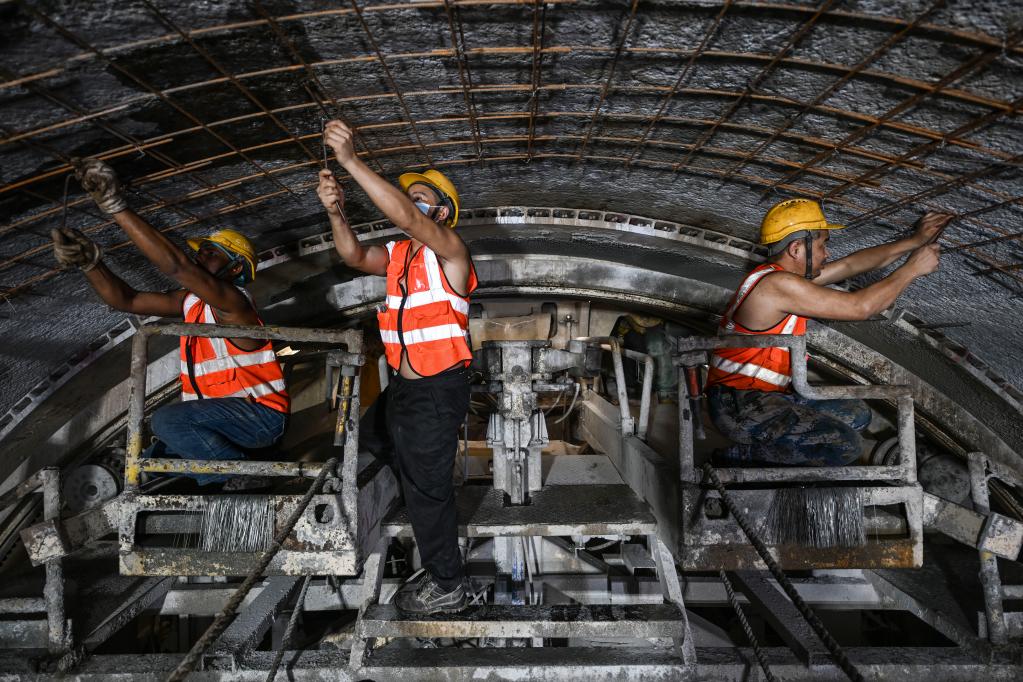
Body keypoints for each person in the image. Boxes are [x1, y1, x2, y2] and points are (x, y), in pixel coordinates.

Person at [317, 120, 475, 614]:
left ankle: (448, 583)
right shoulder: (399, 260)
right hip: (404, 391)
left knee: (428, 488)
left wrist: (350, 161)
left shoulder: (451, 251)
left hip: (436, 391)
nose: (414, 202)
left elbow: (408, 218)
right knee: (369, 442)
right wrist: (336, 210)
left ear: (443, 212)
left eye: (424, 197)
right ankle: (369, 511)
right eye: (414, 196)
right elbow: (351, 254)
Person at [53, 158, 289, 488]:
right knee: (150, 462)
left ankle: (240, 476)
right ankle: (226, 478)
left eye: (211, 253)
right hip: (219, 421)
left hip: (259, 418)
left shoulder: (236, 305)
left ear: (235, 270)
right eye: (201, 251)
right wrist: (89, 264)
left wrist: (116, 206)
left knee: (167, 421)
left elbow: (177, 266)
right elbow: (126, 300)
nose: (199, 257)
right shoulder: (190, 303)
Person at [706, 198, 950, 466]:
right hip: (740, 407)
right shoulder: (778, 285)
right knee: (844, 446)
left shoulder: (776, 278)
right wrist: (911, 270)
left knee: (855, 414)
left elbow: (849, 266)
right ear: (797, 249)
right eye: (823, 245)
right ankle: (737, 460)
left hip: (764, 398)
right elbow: (861, 307)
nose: (827, 253)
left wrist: (915, 241)